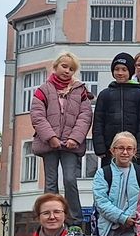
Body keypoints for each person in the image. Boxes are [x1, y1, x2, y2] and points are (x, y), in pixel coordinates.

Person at [30, 51, 94, 225]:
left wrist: (75, 138)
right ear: (56, 66)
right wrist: (50, 137)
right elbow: (37, 115)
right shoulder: (43, 90)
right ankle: (49, 216)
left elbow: (85, 115)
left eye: (71, 69)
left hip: (70, 145)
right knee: (50, 182)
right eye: (64, 66)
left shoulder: (80, 90)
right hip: (49, 143)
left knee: (70, 179)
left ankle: (75, 219)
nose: (67, 71)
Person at [91, 132, 140, 236]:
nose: (125, 152)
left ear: (134, 151)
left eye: (129, 149)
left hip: (130, 228)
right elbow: (101, 202)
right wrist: (122, 218)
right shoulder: (103, 173)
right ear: (112, 150)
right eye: (120, 148)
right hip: (109, 228)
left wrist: (129, 218)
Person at [92, 52, 140, 168]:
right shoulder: (105, 94)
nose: (120, 73)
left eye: (124, 69)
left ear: (130, 72)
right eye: (117, 69)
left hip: (132, 151)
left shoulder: (139, 94)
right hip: (110, 151)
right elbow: (98, 122)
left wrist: (139, 148)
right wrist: (100, 148)